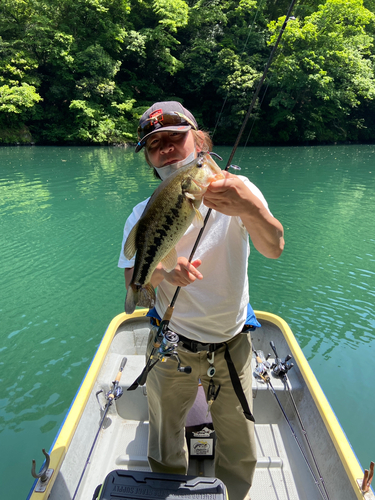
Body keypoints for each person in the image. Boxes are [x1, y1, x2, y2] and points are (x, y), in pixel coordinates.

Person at [118, 101, 285, 500]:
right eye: (156, 145)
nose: (167, 150)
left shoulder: (238, 191)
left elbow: (274, 246)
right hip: (170, 343)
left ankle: (236, 494)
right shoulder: (142, 213)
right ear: (149, 159)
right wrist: (162, 273)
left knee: (239, 446)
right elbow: (132, 277)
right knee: (163, 442)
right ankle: (167, 492)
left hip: (232, 344)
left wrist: (248, 207)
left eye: (175, 139)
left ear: (199, 141)